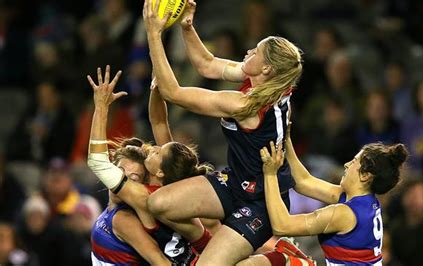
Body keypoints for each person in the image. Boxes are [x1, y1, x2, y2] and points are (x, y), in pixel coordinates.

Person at [143, 0, 303, 264]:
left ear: (266, 69)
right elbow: (207, 64)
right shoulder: (269, 83)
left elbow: (173, 93)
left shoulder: (244, 105)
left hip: (262, 202)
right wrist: (187, 27)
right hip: (236, 181)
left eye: (256, 51)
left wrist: (153, 33)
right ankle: (205, 242)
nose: (249, 50)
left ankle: (284, 260)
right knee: (158, 205)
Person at [86, 66, 212, 265]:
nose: (121, 180)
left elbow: (98, 162)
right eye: (119, 172)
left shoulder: (142, 199)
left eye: (132, 179)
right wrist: (156, 86)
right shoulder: (171, 179)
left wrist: (101, 107)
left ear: (153, 175)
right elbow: (160, 122)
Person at [250, 132, 408, 265]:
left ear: (365, 175)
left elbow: (282, 226)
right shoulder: (364, 201)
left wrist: (269, 174)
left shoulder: (343, 214)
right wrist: (286, 138)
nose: (346, 165)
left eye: (354, 162)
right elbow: (304, 182)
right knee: (278, 258)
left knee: (269, 260)